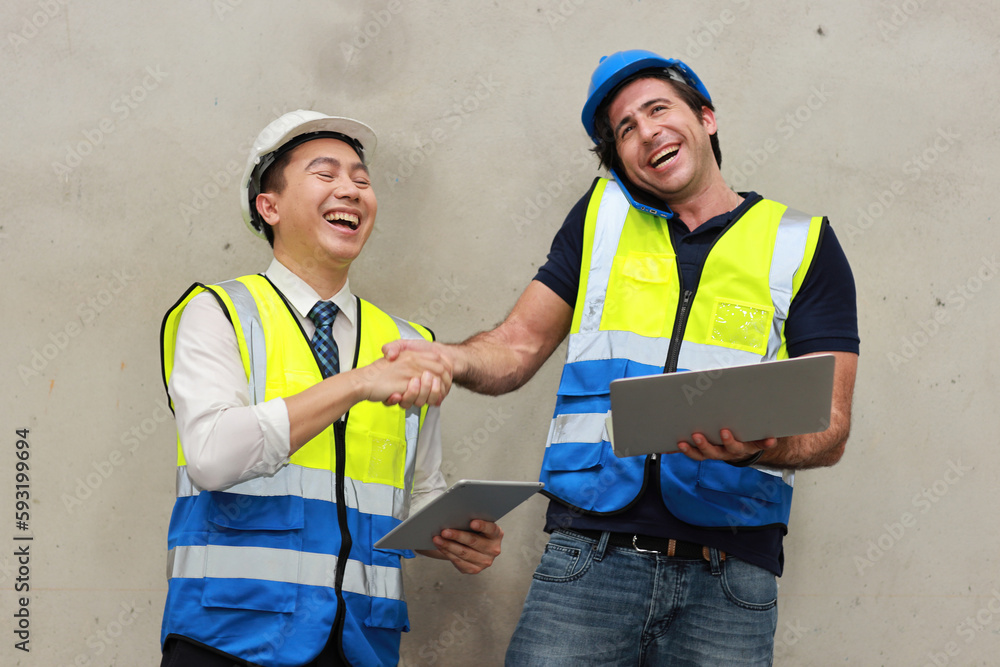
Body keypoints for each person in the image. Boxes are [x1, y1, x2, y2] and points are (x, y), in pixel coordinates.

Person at [384, 50, 859, 665]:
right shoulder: (600, 218)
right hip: (589, 559)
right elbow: (518, 346)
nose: (644, 132)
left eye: (657, 109)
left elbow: (831, 427)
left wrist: (758, 447)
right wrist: (450, 358)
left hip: (731, 580)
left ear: (706, 119)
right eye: (624, 130)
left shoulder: (804, 243)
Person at [158, 109, 503, 667]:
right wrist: (358, 382)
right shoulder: (218, 313)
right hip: (229, 638)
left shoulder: (409, 342)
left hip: (360, 644)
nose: (351, 189)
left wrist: (449, 533)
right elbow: (213, 458)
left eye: (362, 180)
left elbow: (416, 490)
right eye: (325, 174)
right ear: (268, 207)